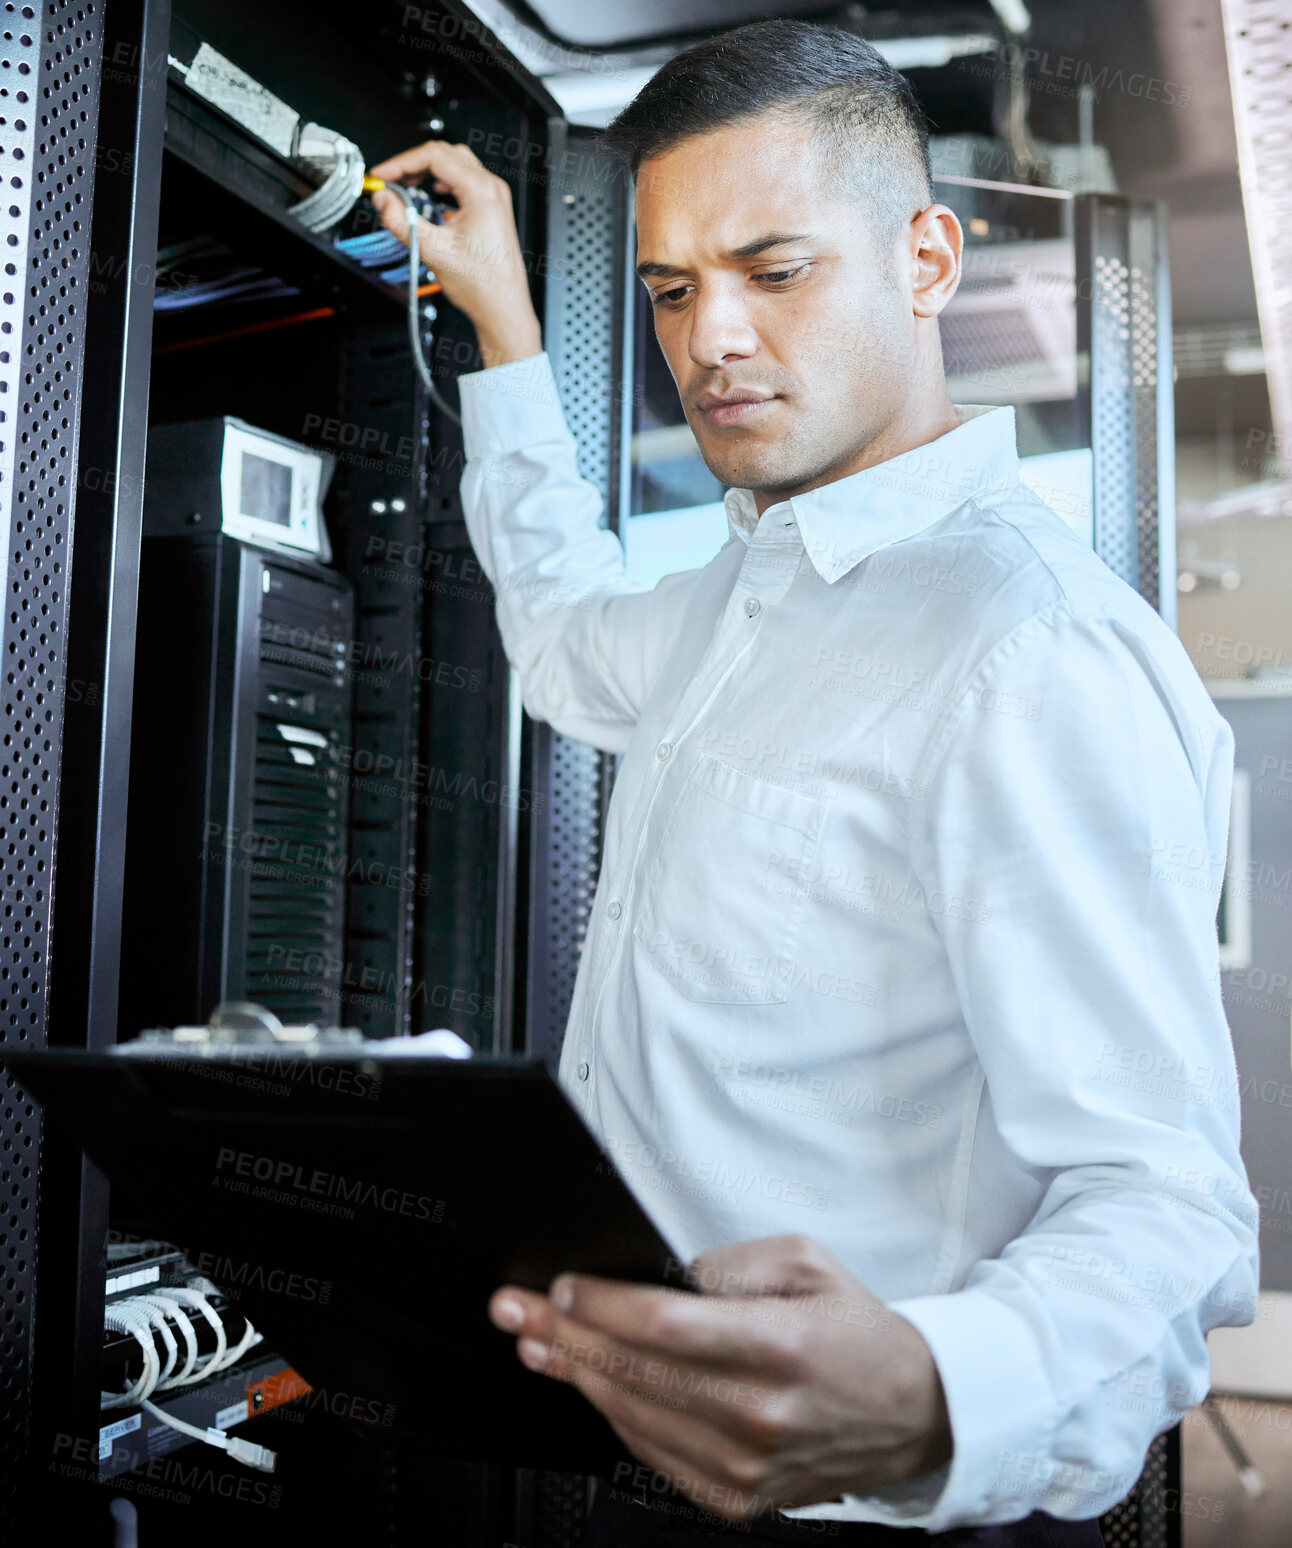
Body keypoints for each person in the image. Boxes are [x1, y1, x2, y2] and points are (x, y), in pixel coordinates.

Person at [370, 18, 1258, 1546]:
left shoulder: (1024, 652)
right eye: (670, 289)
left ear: (926, 260)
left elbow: (1167, 1202)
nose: (710, 339)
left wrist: (929, 1382)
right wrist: (509, 338)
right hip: (624, 1455)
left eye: (774, 274)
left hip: (852, 1511)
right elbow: (569, 641)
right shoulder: (740, 593)